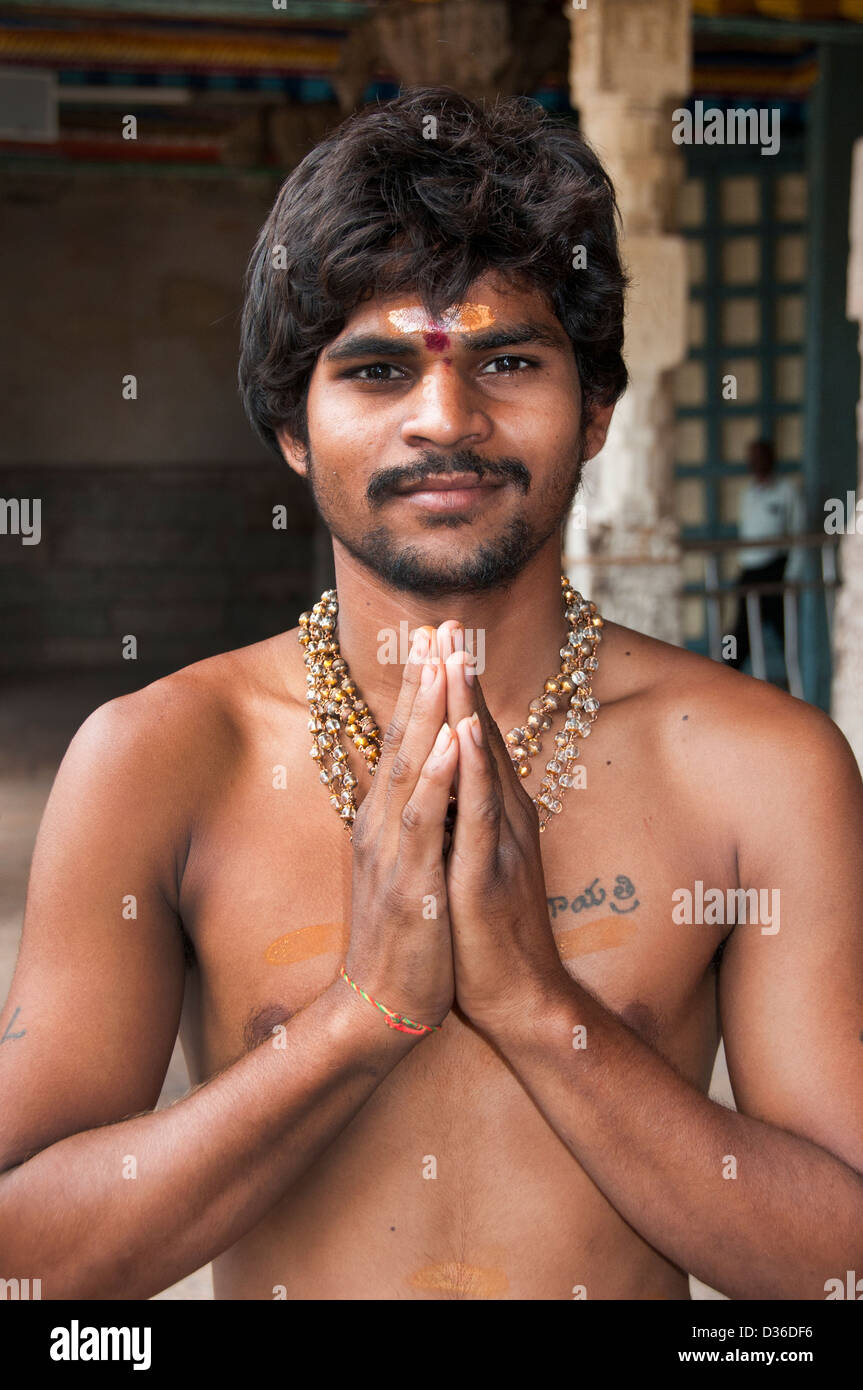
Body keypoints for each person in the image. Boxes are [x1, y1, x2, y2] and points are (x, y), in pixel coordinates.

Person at [1, 89, 861, 1303]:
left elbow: (840, 1258)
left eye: (508, 360)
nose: (444, 419)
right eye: (376, 367)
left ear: (597, 407)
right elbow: (28, 1258)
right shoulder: (158, 758)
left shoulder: (756, 767)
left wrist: (533, 1006)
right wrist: (360, 1016)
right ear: (293, 426)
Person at [728, 438, 805, 675]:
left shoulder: (786, 492)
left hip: (776, 570)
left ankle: (796, 684)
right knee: (741, 634)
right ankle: (727, 683)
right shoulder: (748, 493)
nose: (756, 463)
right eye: (753, 458)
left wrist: (792, 574)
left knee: (787, 634)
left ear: (771, 460)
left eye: (761, 457)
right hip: (751, 572)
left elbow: (798, 533)